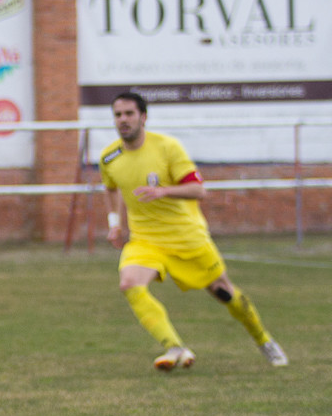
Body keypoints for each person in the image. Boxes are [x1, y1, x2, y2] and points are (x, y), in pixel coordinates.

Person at [102, 91, 287, 371]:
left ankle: (264, 340)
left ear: (143, 117)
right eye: (118, 115)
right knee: (129, 283)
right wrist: (115, 224)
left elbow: (198, 190)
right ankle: (175, 347)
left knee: (224, 292)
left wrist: (163, 191)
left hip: (187, 238)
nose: (123, 120)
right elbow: (111, 188)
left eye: (129, 114)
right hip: (146, 241)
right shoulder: (109, 157)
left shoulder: (167, 147)